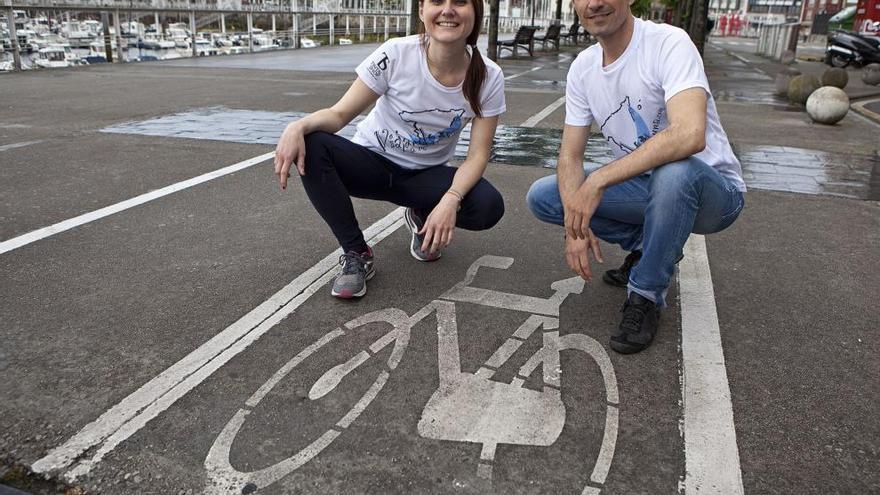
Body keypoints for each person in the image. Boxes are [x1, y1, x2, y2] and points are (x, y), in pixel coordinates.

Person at [526, 0, 746, 354]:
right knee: (545, 196)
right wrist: (574, 226)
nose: (594, 3)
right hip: (646, 187)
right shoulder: (583, 68)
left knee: (675, 172)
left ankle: (645, 293)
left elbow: (689, 134)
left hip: (713, 192)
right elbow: (570, 155)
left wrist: (596, 182)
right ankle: (650, 248)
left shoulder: (668, 43)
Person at [274, 0, 506, 299]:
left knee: (488, 205)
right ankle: (357, 253)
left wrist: (449, 200)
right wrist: (297, 126)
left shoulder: (489, 76)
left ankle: (423, 212)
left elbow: (477, 155)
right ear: (422, 11)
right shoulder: (396, 53)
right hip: (372, 165)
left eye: (460, 2)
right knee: (313, 141)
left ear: (476, 14)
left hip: (424, 178)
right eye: (437, 1)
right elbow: (339, 115)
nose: (448, 10)